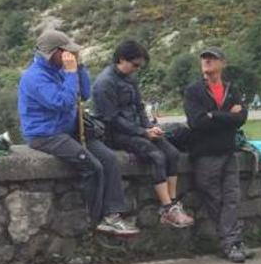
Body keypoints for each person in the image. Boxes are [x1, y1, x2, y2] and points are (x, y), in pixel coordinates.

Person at [21, 29, 138, 238]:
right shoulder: (34, 77)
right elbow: (62, 102)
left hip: (68, 130)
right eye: (66, 52)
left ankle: (112, 215)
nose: (70, 55)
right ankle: (96, 220)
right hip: (45, 135)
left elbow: (84, 93)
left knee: (109, 158)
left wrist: (80, 67)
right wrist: (70, 73)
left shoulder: (60, 70)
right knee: (91, 166)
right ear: (52, 53)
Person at [95, 40, 193, 228]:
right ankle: (166, 207)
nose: (137, 69)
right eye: (135, 65)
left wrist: (149, 127)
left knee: (172, 154)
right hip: (116, 134)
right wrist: (143, 132)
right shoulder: (105, 83)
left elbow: (139, 107)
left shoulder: (130, 79)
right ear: (122, 59)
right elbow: (112, 119)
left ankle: (173, 205)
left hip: (139, 130)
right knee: (156, 157)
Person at [183, 47, 251, 263]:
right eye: (204, 58)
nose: (207, 62)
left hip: (228, 151)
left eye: (212, 58)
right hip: (205, 154)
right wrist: (225, 116)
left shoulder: (231, 89)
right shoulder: (194, 91)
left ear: (223, 62)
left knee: (232, 197)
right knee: (215, 198)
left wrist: (214, 116)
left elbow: (241, 118)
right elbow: (197, 122)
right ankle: (231, 241)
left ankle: (231, 241)